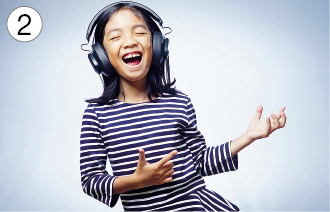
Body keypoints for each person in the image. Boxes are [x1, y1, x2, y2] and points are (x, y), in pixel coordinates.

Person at [80, 2, 287, 211]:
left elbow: (200, 161)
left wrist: (247, 137)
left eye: (140, 33)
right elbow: (90, 181)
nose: (130, 42)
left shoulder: (179, 102)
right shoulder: (96, 115)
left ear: (157, 45)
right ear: (101, 56)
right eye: (116, 37)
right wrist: (136, 181)